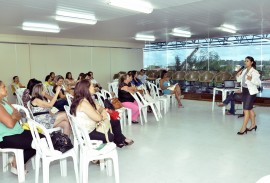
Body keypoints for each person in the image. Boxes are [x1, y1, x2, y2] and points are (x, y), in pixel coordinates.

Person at [70, 80, 133, 147]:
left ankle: (119, 140)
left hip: (92, 127)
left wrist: (102, 112)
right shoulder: (83, 103)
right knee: (110, 136)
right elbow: (99, 118)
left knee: (115, 122)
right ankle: (119, 140)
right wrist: (102, 114)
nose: (94, 87)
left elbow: (100, 108)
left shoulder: (86, 99)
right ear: (86, 89)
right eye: (92, 86)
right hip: (87, 133)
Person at [0, 80, 36, 174]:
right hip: (6, 137)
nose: (6, 89)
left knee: (41, 137)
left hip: (17, 131)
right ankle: (16, 163)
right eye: (3, 87)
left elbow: (18, 113)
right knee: (39, 142)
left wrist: (13, 117)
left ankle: (15, 160)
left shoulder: (4, 101)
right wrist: (14, 116)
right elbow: (10, 124)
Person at [236, 56, 261, 135]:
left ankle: (243, 128)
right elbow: (239, 80)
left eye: (247, 61)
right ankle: (253, 125)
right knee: (249, 109)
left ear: (251, 62)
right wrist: (238, 75)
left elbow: (258, 83)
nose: (245, 62)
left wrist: (251, 79)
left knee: (246, 110)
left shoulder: (254, 72)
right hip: (244, 91)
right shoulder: (244, 71)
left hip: (251, 92)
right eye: (245, 61)